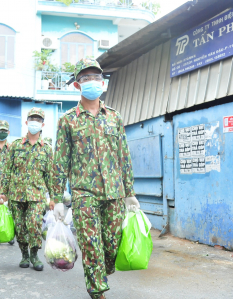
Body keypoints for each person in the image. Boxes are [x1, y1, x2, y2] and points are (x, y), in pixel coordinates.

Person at [50, 58, 139, 299]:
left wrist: (129, 192)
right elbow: (60, 161)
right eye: (85, 78)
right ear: (77, 86)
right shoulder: (68, 120)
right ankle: (97, 291)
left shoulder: (114, 117)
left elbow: (124, 156)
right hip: (83, 194)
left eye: (95, 78)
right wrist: (58, 198)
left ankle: (102, 271)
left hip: (114, 193)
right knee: (91, 245)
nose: (92, 82)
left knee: (110, 246)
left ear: (103, 83)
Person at [0, 108, 53, 271]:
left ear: (42, 124)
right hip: (16, 195)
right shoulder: (15, 146)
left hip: (37, 196)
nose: (35, 122)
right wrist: (3, 192)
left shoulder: (47, 149)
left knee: (34, 224)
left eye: (38, 119)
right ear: (26, 122)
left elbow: (50, 174)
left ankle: (35, 255)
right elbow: (7, 170)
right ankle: (24, 255)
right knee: (20, 227)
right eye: (32, 119)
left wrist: (54, 198)